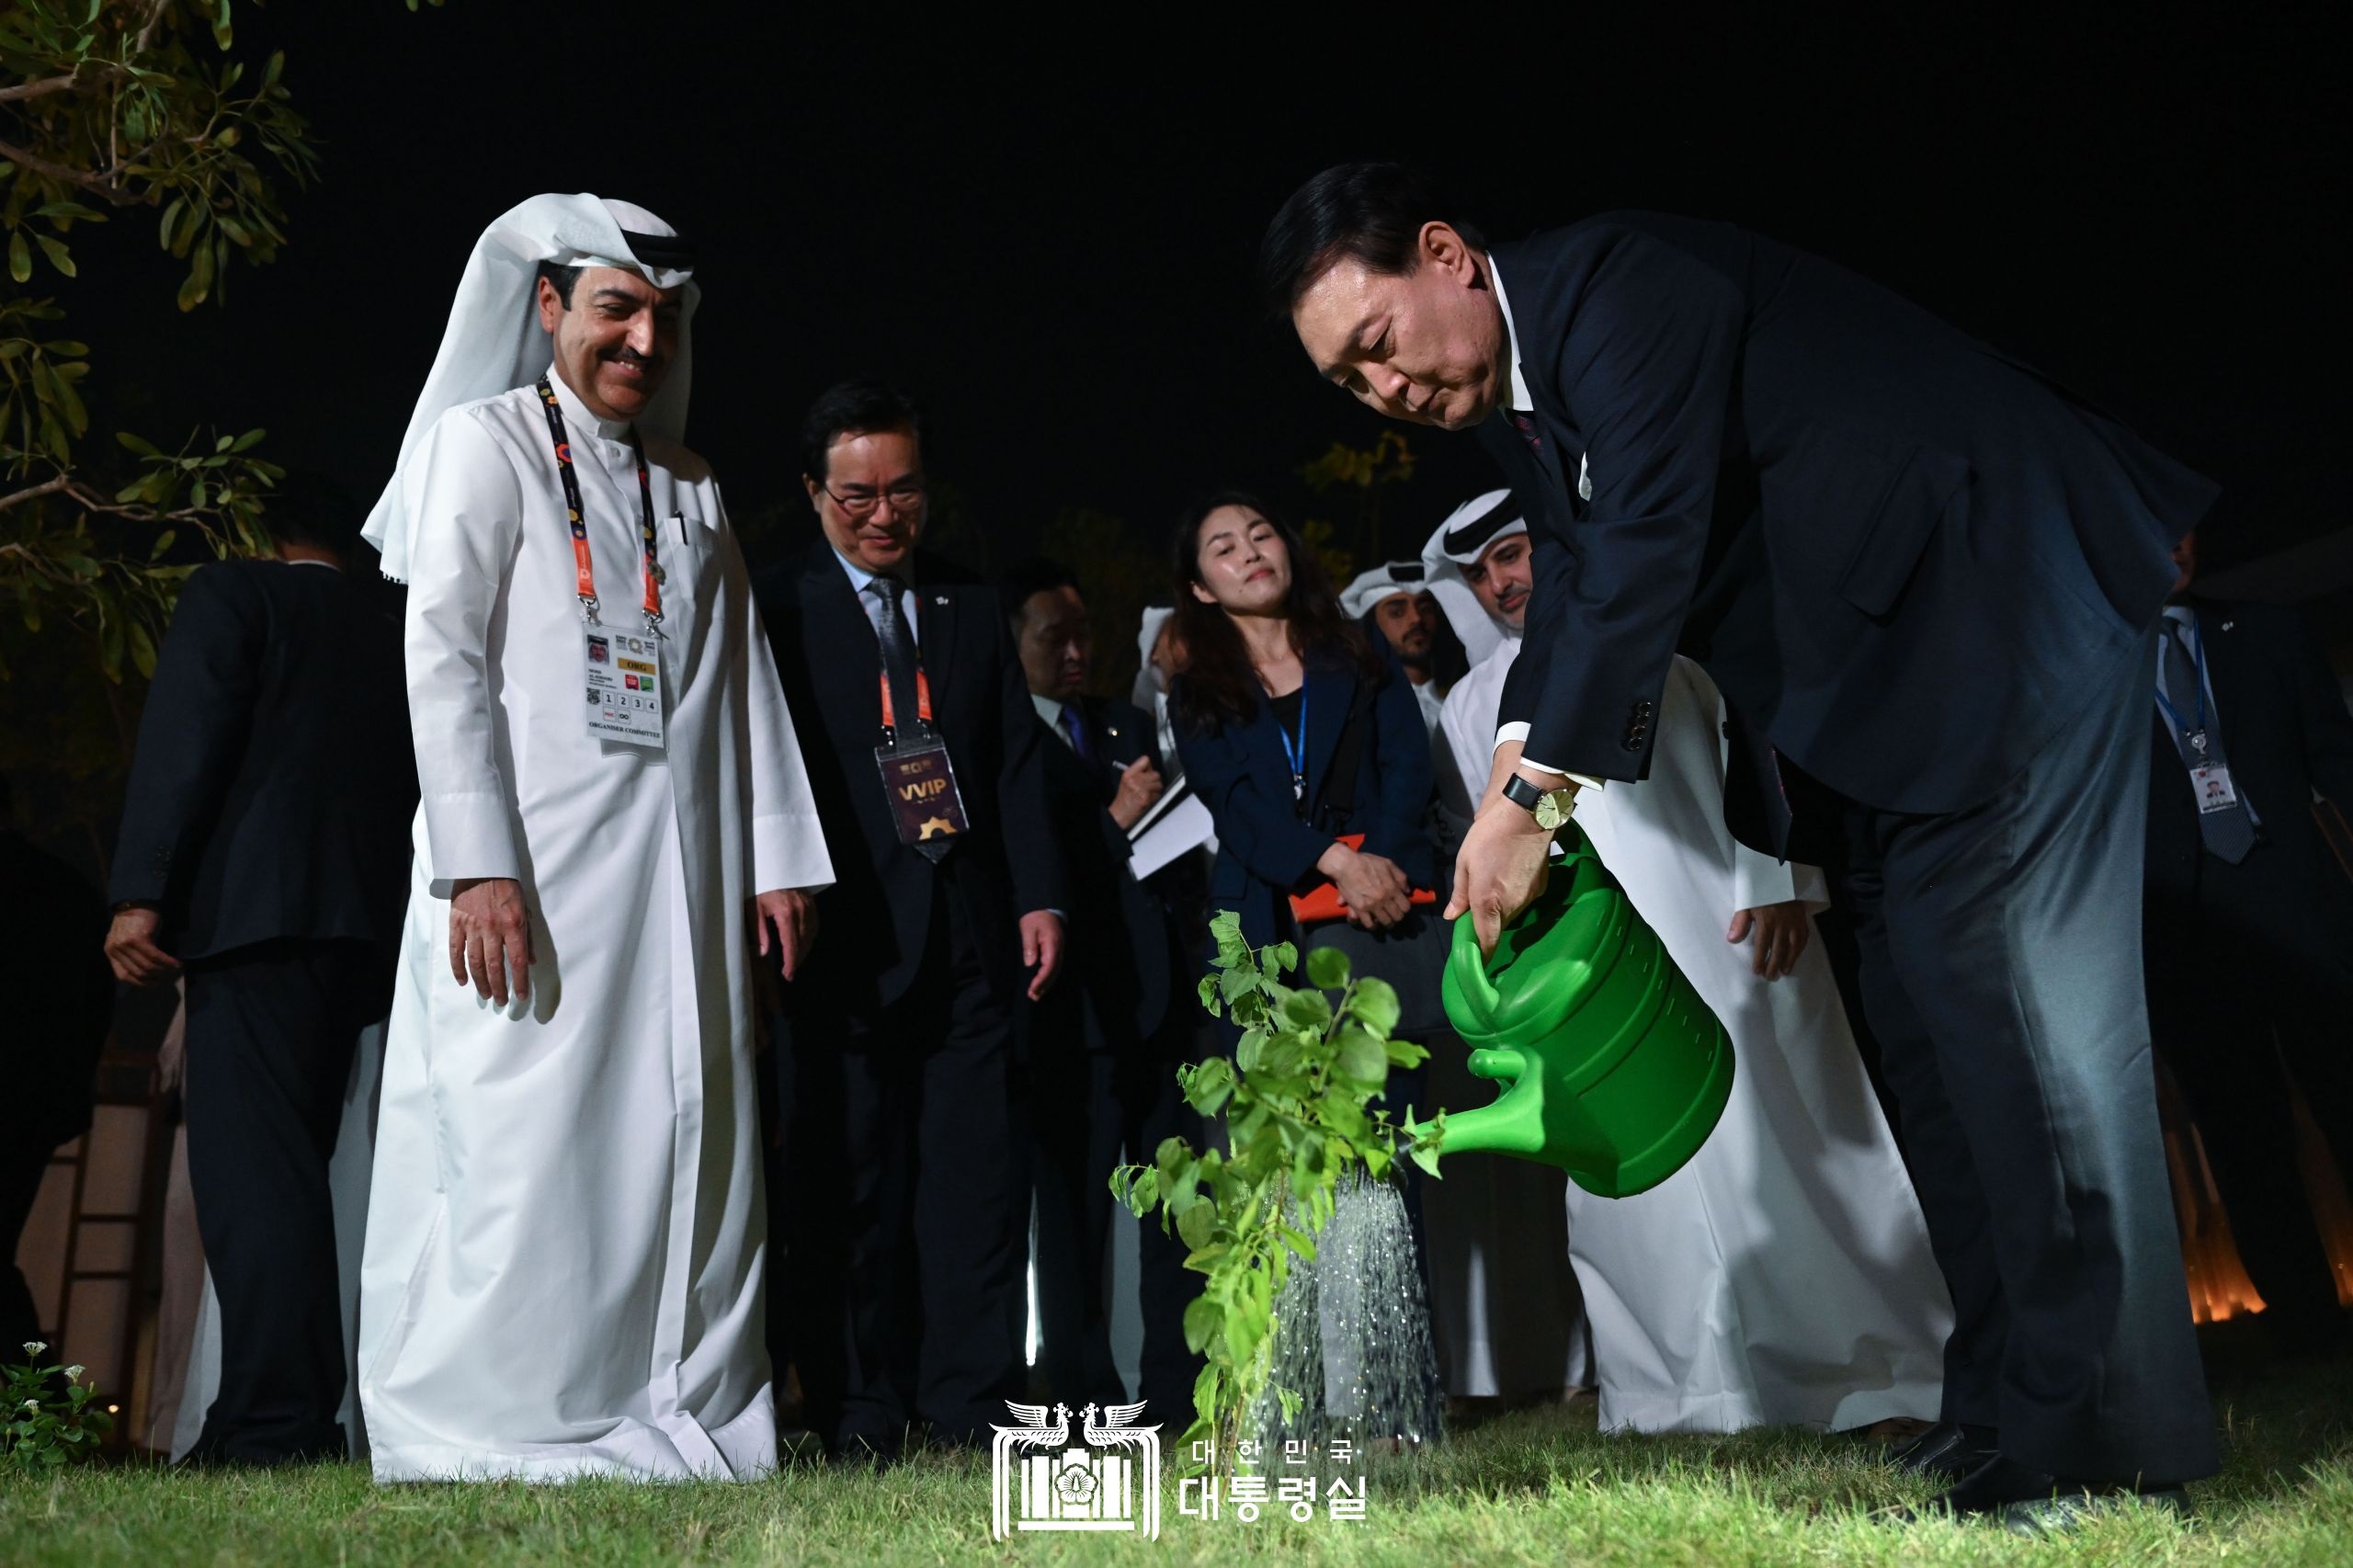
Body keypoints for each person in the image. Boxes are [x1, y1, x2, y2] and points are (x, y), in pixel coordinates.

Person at [1263, 164, 2219, 1525]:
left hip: (2005, 612)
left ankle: (2112, 1444)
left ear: (1445, 255)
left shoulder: (1617, 288)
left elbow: (1648, 540)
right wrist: (1501, 782)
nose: (1386, 392)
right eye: (1349, 385)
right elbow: (1574, 577)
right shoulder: (1523, 412)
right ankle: (2006, 1406)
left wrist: (1538, 806)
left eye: (1379, 344)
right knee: (1918, 1027)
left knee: (2025, 1028)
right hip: (1889, 702)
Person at [355, 193, 834, 1482]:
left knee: (688, 1127)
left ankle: (678, 1395)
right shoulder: (484, 443)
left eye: (662, 319)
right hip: (532, 872)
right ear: (551, 306)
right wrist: (479, 862)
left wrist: (778, 851)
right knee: (528, 1134)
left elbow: (743, 676)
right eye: (615, 308)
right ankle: (490, 1412)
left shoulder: (690, 480)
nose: (641, 340)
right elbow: (441, 656)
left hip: (684, 880)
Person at [1425, 490, 1951, 1434]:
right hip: (1589, 978)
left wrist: (1776, 871)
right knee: (1627, 1174)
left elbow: (1752, 737)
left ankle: (1870, 1367)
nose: (1503, 582)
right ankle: (1674, 1394)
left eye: (1514, 554)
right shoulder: (1473, 704)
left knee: (1789, 1142)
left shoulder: (1650, 627)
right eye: (1482, 573)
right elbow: (1506, 844)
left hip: (1726, 921)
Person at [752, 381, 1064, 1462]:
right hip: (837, 944)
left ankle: (971, 1399)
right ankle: (855, 1404)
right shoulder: (773, 609)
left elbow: (1014, 763)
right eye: (856, 497)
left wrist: (1038, 893)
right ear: (812, 493)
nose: (883, 516)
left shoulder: (967, 607)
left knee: (976, 1185)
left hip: (971, 936)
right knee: (849, 1187)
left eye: (904, 491)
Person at [100, 474, 413, 1465]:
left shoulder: (235, 595)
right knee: (298, 1171)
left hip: (251, 923)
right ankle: (268, 1407)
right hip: (367, 932)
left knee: (251, 1176)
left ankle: (277, 1419)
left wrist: (142, 888)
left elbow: (184, 742)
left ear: (259, 534)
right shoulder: (401, 619)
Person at [1001, 555, 1206, 1416]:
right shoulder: (1004, 738)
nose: (1076, 652)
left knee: (1173, 1216)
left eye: (1086, 635)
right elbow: (1026, 860)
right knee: (1077, 1221)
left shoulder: (1127, 726)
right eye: (1056, 637)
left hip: (1158, 1006)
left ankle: (1176, 1396)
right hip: (1068, 1014)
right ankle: (1084, 1400)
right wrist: (1111, 824)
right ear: (1014, 644)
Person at [2143, 530, 2353, 1351]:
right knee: (2243, 1138)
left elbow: (2337, 760)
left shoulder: (2267, 629)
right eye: (2151, 529)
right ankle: (2311, 1341)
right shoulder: (2077, 674)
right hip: (2183, 930)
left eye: (2184, 529)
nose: (2175, 546)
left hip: (2299, 905)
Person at [2, 778, 112, 1368]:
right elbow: (95, 1006)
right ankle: (40, 1405)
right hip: (39, 1105)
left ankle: (39, 1404)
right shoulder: (66, 890)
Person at [1338, 561, 1459, 734]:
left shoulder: (1461, 703)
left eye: (1425, 608)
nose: (1416, 618)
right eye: (1397, 613)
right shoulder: (1361, 712)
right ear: (1372, 626)